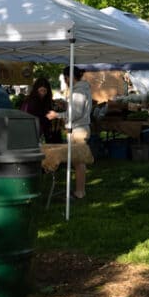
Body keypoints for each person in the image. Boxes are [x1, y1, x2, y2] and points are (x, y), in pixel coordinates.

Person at [48, 67, 93, 199]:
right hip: (78, 129)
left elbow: (75, 114)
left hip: (78, 130)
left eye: (66, 78)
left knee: (78, 162)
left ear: (71, 77)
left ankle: (80, 192)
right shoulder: (80, 90)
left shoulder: (78, 91)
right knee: (77, 162)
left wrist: (57, 115)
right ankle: (80, 190)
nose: (66, 81)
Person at [21, 76, 60, 142]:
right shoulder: (32, 101)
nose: (43, 94)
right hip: (32, 132)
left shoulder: (45, 101)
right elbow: (36, 117)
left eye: (44, 91)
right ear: (36, 90)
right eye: (41, 91)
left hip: (37, 132)